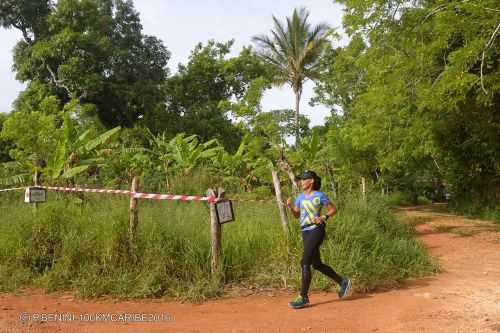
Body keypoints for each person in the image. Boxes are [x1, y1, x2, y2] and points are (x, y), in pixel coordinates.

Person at [286, 170, 351, 309]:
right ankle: (342, 281)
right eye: (301, 179)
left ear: (311, 181)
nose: (301, 182)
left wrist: (324, 217)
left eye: (304, 179)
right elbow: (297, 215)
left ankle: (303, 297)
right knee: (316, 264)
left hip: (316, 230)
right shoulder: (300, 197)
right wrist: (291, 206)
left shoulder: (319, 195)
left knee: (305, 261)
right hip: (305, 231)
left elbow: (333, 209)